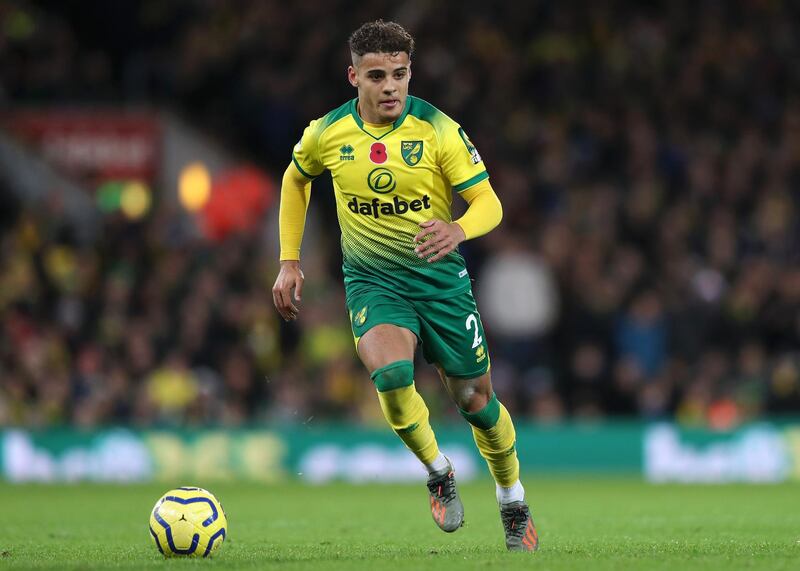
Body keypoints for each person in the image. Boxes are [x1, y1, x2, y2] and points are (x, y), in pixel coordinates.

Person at [272, 19, 538, 552]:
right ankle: (438, 471)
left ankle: (512, 498)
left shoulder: (439, 130)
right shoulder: (328, 133)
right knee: (392, 376)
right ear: (354, 77)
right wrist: (289, 260)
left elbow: (490, 203)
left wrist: (458, 227)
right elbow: (295, 178)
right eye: (377, 75)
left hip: (441, 285)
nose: (390, 86)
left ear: (410, 72)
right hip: (374, 282)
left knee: (475, 401)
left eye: (399, 74)